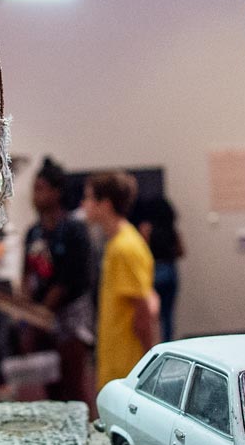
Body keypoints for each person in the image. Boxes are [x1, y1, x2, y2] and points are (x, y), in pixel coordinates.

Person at [22, 159, 95, 405]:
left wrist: (42, 310)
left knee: (73, 387)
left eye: (41, 188)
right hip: (41, 318)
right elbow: (27, 272)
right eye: (34, 188)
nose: (35, 195)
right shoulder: (34, 232)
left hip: (71, 318)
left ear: (57, 192)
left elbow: (70, 278)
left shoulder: (74, 230)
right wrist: (27, 310)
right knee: (50, 390)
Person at [84, 169, 160, 388]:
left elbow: (143, 311)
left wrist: (150, 364)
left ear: (105, 204)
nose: (84, 204)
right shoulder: (117, 244)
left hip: (126, 367)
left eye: (89, 198)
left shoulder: (124, 248)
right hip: (117, 362)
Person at [129, 187, 184, 342]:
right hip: (170, 269)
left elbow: (142, 252)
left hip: (154, 270)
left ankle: (155, 346)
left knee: (152, 313)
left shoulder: (146, 228)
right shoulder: (171, 229)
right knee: (168, 315)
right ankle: (168, 343)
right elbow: (181, 251)